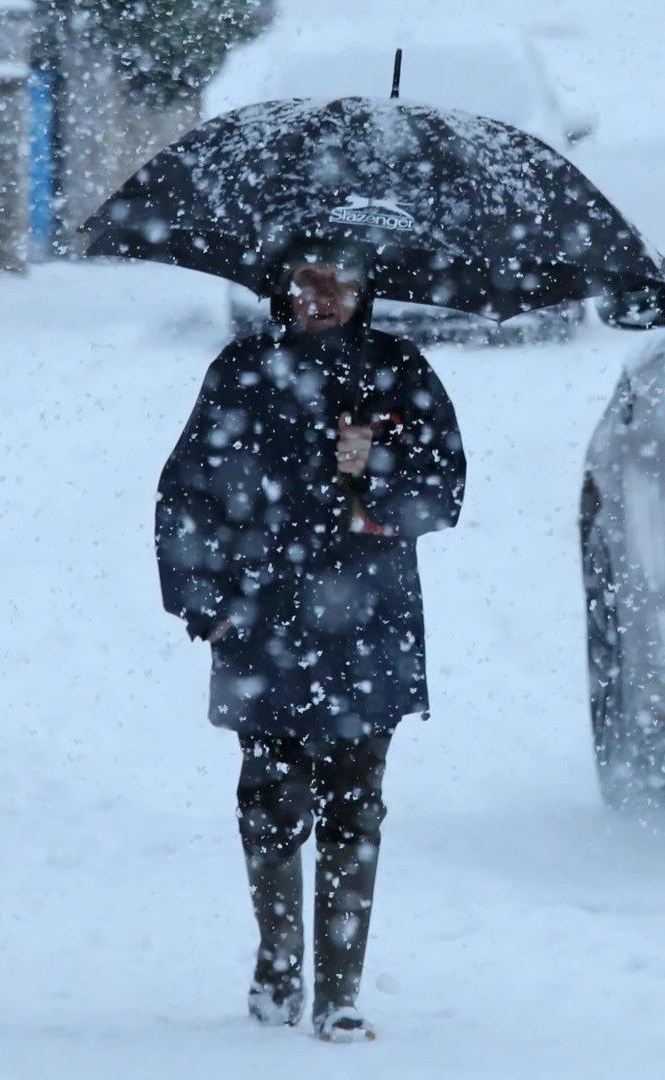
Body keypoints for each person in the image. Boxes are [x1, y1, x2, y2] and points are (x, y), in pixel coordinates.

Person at [154, 242, 466, 1042]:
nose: (321, 297)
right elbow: (186, 489)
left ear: (366, 291)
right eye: (307, 281)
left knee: (356, 805)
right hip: (263, 618)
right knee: (269, 799)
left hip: (369, 622)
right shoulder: (244, 368)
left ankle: (339, 991)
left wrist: (376, 485)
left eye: (340, 282)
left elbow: (445, 487)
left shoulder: (399, 369)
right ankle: (279, 967)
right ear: (283, 287)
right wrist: (204, 601)